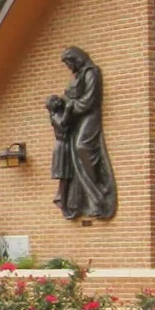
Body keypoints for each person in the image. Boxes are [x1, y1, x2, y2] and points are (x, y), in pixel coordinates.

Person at [49, 47, 116, 220]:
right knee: (75, 156)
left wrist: (70, 106)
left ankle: (98, 188)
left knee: (82, 147)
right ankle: (87, 198)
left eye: (69, 63)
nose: (69, 68)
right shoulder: (79, 75)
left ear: (76, 59)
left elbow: (89, 100)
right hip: (77, 120)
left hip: (89, 117)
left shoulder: (91, 73)